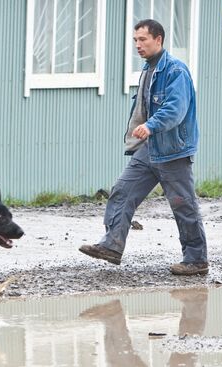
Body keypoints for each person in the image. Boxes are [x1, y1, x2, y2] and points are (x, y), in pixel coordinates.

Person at [79, 19, 208, 275]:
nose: (138, 45)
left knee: (183, 204)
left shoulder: (175, 71)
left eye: (143, 40)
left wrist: (151, 125)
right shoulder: (148, 69)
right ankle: (111, 245)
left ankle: (196, 260)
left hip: (173, 151)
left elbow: (176, 109)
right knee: (122, 191)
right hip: (150, 149)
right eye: (135, 40)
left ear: (158, 40)